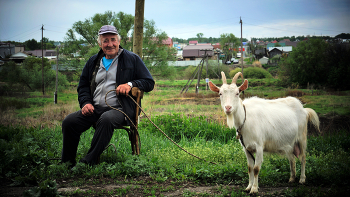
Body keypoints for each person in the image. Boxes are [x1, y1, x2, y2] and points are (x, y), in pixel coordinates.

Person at [61, 25, 154, 166]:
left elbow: (149, 82)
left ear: (118, 41)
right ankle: (67, 162)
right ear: (100, 44)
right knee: (69, 122)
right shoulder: (93, 61)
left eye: (113, 40)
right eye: (105, 41)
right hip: (95, 108)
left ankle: (88, 161)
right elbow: (83, 86)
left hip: (121, 110)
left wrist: (130, 84)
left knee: (106, 119)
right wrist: (86, 103)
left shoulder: (132, 59)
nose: (110, 44)